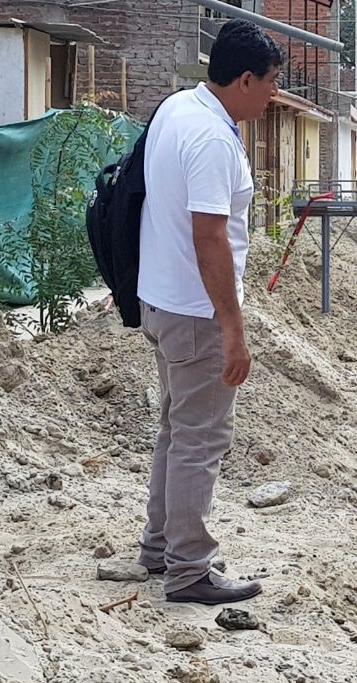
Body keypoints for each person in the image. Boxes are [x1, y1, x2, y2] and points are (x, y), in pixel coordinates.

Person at [135, 19, 282, 605]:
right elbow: (210, 238)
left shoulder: (177, 109)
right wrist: (232, 328)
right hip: (195, 312)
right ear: (245, 79)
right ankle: (190, 570)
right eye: (270, 84)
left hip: (161, 300)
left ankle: (159, 547)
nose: (273, 95)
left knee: (177, 429)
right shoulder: (215, 140)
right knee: (201, 439)